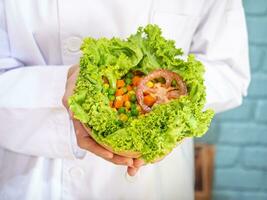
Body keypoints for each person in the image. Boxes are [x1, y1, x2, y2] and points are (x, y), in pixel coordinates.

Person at [0, 0, 250, 199]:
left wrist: (173, 111)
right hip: (35, 178)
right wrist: (62, 84)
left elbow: (228, 70)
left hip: (154, 186)